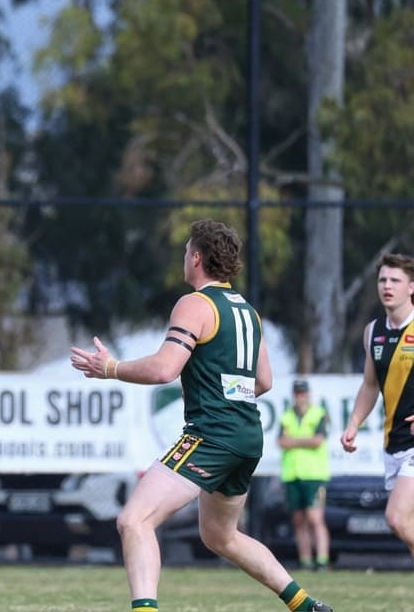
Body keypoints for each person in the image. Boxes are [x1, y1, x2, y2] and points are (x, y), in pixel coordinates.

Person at [70, 219, 331, 612]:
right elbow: (263, 381)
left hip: (213, 434)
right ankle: (305, 605)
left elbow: (164, 369)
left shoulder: (195, 304)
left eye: (185, 252)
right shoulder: (248, 312)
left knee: (134, 520)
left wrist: (110, 368)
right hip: (247, 437)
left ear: (196, 257)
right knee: (220, 536)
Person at [339, 252, 414, 561]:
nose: (387, 285)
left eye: (395, 280)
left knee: (396, 518)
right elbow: (370, 385)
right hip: (393, 442)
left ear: (412, 287)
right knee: (408, 526)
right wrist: (354, 422)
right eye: (383, 279)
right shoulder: (373, 332)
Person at [278, 378, 331, 570]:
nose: (300, 397)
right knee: (299, 520)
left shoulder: (319, 414)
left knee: (315, 518)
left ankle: (323, 560)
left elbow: (318, 440)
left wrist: (293, 441)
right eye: (297, 393)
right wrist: (304, 441)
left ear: (308, 394)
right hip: (292, 474)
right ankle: (306, 560)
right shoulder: (286, 415)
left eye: (303, 393)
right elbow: (281, 442)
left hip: (314, 475)